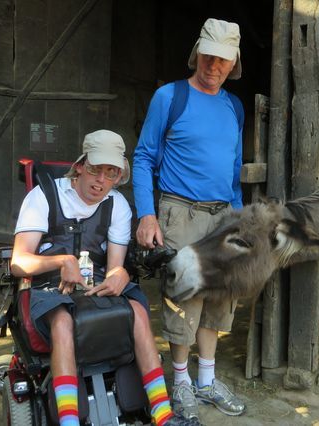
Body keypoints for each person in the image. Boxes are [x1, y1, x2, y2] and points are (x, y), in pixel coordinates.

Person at [11, 130, 197, 426]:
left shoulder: (117, 205)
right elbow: (18, 262)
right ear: (81, 165)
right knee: (62, 322)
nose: (101, 182)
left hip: (94, 284)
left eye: (111, 174)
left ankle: (163, 416)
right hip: (48, 287)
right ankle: (70, 421)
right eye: (96, 170)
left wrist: (119, 273)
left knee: (137, 310)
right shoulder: (44, 195)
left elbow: (113, 266)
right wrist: (62, 261)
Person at [132, 18, 246, 422]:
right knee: (184, 297)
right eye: (208, 56)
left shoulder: (234, 106)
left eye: (223, 60)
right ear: (197, 52)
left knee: (219, 295)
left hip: (222, 215)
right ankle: (179, 380)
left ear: (234, 64)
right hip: (179, 211)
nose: (213, 65)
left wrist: (238, 218)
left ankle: (206, 380)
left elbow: (233, 170)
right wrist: (147, 214)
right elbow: (143, 157)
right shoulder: (170, 97)